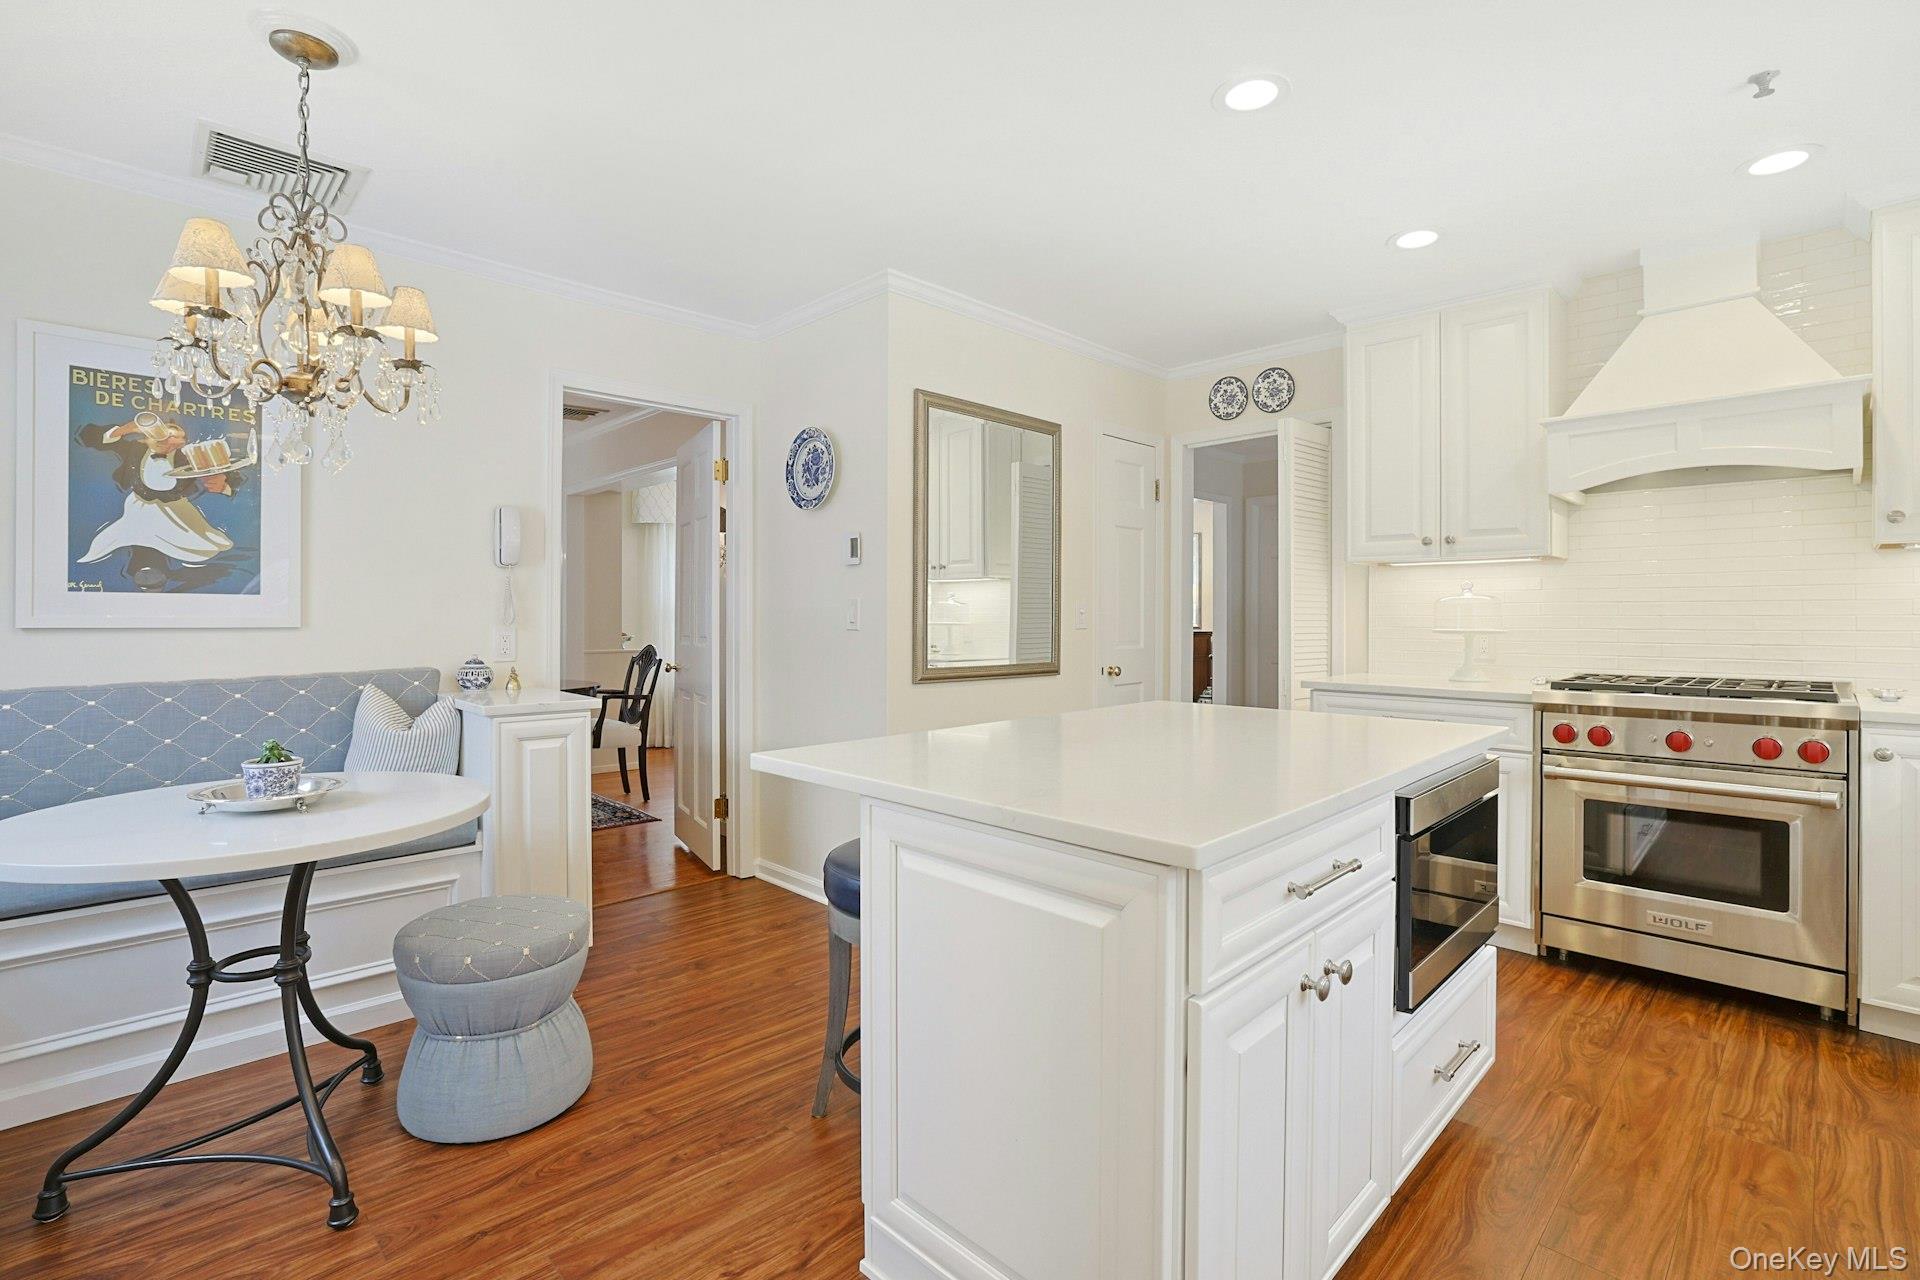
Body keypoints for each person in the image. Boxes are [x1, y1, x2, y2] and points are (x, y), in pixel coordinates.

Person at [75, 412, 242, 591]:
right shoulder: (134, 449)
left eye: (179, 439)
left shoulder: (186, 457)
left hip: (175, 510)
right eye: (168, 436)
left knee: (196, 545)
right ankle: (144, 570)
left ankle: (172, 570)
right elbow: (89, 437)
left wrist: (224, 485)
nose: (173, 442)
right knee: (132, 534)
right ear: (149, 437)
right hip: (140, 505)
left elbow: (231, 476)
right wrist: (127, 428)